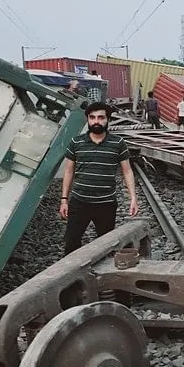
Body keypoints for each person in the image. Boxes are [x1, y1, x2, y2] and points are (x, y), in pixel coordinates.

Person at [60, 102, 139, 256]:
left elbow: (127, 171)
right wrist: (64, 199)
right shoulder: (76, 142)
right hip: (79, 203)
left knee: (106, 246)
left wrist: (133, 198)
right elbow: (69, 171)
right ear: (88, 119)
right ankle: (73, 277)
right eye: (92, 117)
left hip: (106, 204)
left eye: (101, 117)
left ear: (107, 119)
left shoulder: (118, 143)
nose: (96, 121)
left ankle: (102, 278)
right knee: (71, 243)